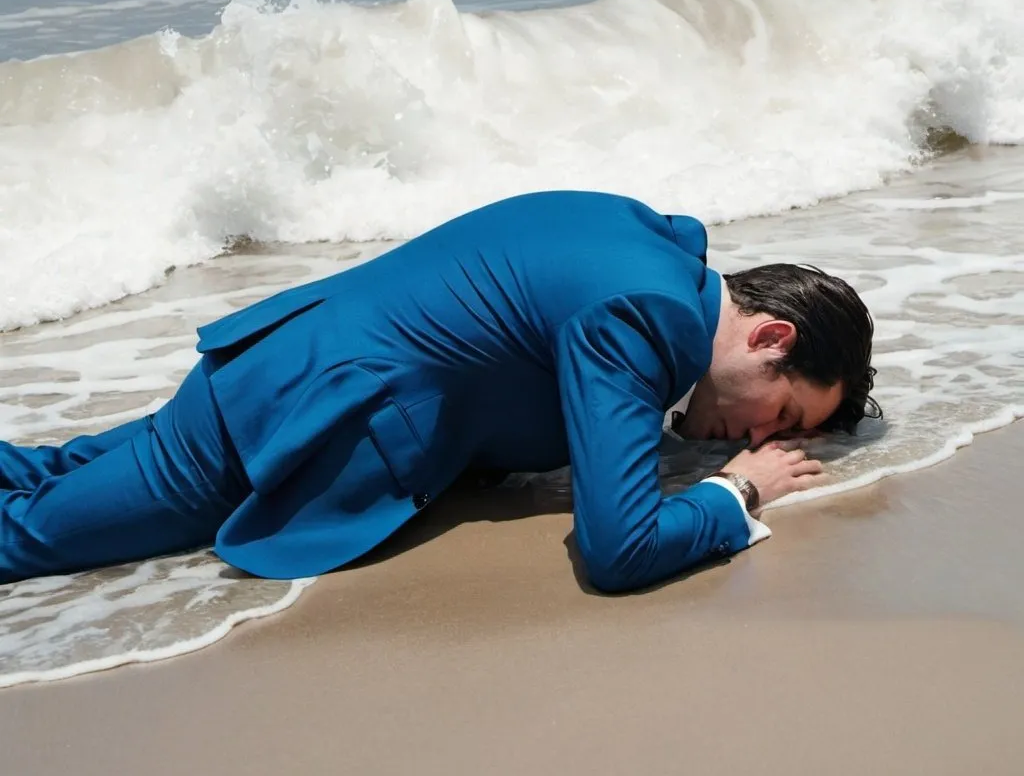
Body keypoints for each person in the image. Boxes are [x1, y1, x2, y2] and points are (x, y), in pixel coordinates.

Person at [0, 191, 878, 589]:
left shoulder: (649, 241)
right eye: (784, 417)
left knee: (46, 473)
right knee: (29, 538)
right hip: (298, 421)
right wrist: (736, 496)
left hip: (282, 365)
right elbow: (619, 551)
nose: (755, 439)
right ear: (770, 338)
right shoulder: (648, 319)